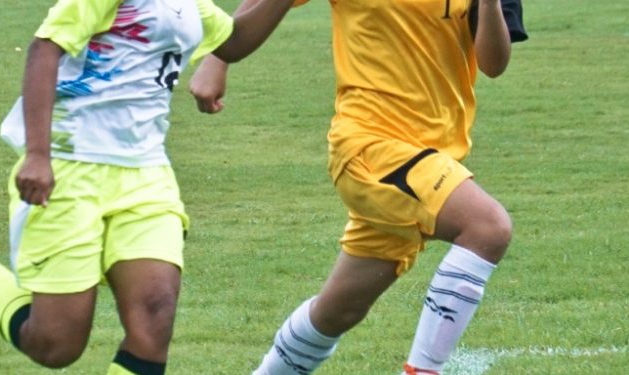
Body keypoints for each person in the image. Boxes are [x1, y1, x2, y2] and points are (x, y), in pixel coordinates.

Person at [0, 0, 295, 373]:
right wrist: (37, 154)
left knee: (156, 314)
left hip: (146, 175)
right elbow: (45, 49)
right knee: (56, 345)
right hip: (70, 169)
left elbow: (232, 40)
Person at [189, 0, 528, 373]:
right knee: (487, 227)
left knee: (337, 312)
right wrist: (217, 58)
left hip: (432, 157)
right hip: (369, 146)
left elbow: (493, 63)